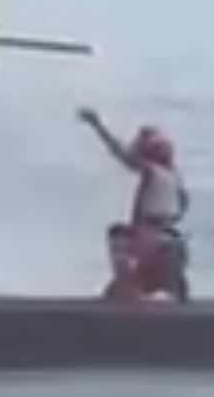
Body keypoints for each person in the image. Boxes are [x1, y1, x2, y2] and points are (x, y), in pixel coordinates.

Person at [77, 108, 190, 301]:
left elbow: (120, 154)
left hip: (148, 234)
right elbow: (183, 206)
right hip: (166, 231)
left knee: (117, 237)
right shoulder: (174, 176)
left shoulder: (151, 171)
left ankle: (129, 288)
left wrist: (98, 126)